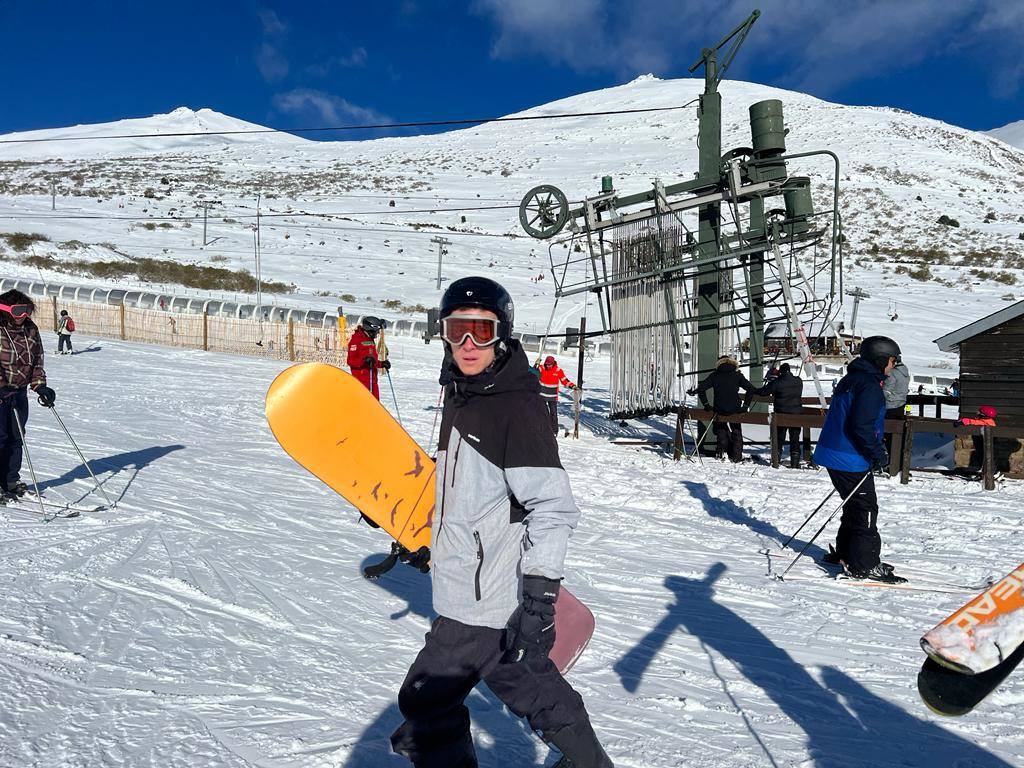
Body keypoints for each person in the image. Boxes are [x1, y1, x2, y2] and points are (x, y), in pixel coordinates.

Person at [390, 276, 612, 768]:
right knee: (527, 684)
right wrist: (432, 541)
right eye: (457, 330)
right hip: (473, 589)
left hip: (484, 602)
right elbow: (472, 497)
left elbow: (552, 507)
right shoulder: (465, 395)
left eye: (481, 332)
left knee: (426, 700)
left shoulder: (515, 405)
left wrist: (539, 598)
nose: (468, 344)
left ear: (502, 335)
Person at [812, 336, 905, 584]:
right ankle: (864, 565)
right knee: (865, 508)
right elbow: (860, 425)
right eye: (893, 360)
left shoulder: (852, 379)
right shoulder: (869, 386)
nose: (894, 365)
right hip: (849, 456)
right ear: (881, 359)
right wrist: (878, 454)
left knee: (854, 504)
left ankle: (846, 553)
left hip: (835, 452)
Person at [0, 290, 56, 499]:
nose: (23, 315)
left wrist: (40, 386)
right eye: (18, 310)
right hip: (1, 391)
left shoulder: (30, 329)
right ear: (5, 309)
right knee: (0, 438)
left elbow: (37, 360)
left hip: (19, 393)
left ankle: (10, 480)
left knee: (16, 437)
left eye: (27, 310)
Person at [688, 356, 755, 462]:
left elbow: (701, 389)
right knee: (736, 430)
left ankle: (721, 453)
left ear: (719, 364)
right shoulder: (737, 375)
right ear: (733, 364)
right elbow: (751, 389)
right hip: (735, 408)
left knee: (721, 430)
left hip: (720, 408)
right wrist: (745, 406)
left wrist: (706, 404)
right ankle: (736, 456)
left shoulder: (715, 375)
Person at [755, 362, 804, 468]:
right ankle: (795, 462)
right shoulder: (798, 381)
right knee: (795, 438)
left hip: (781, 414)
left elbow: (764, 392)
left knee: (780, 437)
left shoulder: (778, 382)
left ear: (781, 372)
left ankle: (776, 459)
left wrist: (755, 390)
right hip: (796, 415)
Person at [347, 316, 390, 400]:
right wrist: (363, 361)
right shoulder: (356, 340)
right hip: (361, 381)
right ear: (370, 329)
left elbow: (372, 360)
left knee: (376, 405)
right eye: (376, 331)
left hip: (372, 379)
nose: (377, 333)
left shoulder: (370, 340)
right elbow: (350, 360)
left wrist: (382, 363)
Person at [536, 355, 577, 436]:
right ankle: (543, 430)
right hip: (542, 396)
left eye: (549, 364)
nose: (548, 366)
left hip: (552, 397)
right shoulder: (541, 368)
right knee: (544, 414)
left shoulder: (558, 370)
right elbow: (533, 372)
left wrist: (573, 386)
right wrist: (536, 365)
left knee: (553, 414)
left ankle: (554, 431)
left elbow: (564, 380)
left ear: (553, 363)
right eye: (547, 364)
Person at [882, 355, 910, 462]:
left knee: (887, 433)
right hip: (900, 405)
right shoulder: (905, 372)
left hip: (890, 406)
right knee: (897, 434)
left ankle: (889, 461)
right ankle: (897, 460)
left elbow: (886, 391)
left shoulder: (893, 373)